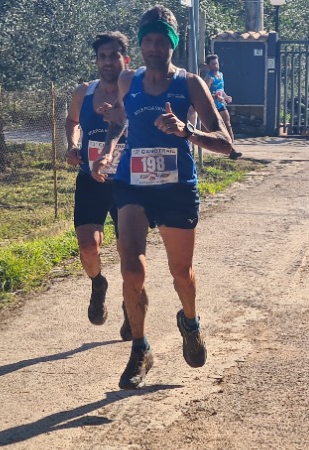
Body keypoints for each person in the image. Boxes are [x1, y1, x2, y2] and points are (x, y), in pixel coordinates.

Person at [90, 5, 234, 390]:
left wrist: (187, 131)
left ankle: (190, 321)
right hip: (132, 184)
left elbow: (225, 143)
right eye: (148, 40)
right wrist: (107, 153)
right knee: (131, 270)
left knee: (181, 273)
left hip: (176, 187)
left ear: (173, 45)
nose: (155, 47)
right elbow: (120, 124)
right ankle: (140, 348)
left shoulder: (190, 84)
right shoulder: (128, 80)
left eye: (162, 41)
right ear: (141, 45)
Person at [64, 31, 133, 340]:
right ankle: (98, 283)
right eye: (102, 56)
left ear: (125, 60)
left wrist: (121, 123)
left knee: (128, 250)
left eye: (113, 56)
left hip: (127, 182)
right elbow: (72, 121)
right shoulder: (84, 92)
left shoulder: (136, 93)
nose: (107, 62)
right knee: (87, 246)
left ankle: (131, 306)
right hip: (91, 180)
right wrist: (72, 145)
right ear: (96, 61)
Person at [203, 54, 242, 160]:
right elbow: (205, 94)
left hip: (221, 105)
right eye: (213, 64)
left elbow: (221, 90)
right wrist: (216, 97)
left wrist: (226, 96)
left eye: (217, 63)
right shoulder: (209, 78)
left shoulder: (221, 75)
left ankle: (232, 149)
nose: (216, 66)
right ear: (209, 65)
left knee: (228, 124)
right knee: (217, 128)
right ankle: (227, 149)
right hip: (213, 107)